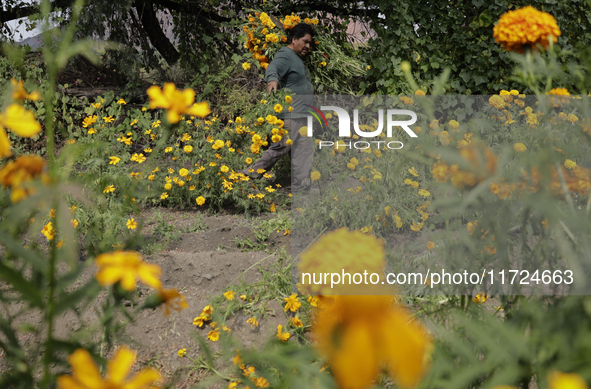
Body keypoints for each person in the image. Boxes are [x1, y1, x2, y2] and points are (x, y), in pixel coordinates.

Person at [243, 23, 315, 192]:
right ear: (294, 39)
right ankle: (249, 175)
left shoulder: (297, 59)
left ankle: (301, 187)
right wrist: (272, 80)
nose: (308, 46)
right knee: (281, 147)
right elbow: (273, 67)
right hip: (291, 114)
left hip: (303, 115)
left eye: (310, 43)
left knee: (303, 151)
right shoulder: (286, 54)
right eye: (305, 41)